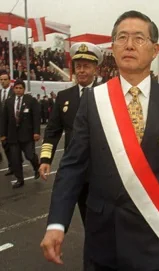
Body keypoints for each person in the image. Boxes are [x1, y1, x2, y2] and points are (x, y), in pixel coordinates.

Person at [40, 10, 159, 270]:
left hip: (158, 231)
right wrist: (57, 223)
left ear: (154, 51)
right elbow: (72, 166)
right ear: (113, 49)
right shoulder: (94, 101)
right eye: (121, 38)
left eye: (139, 38)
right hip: (105, 236)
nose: (128, 44)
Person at [39, 42, 103, 224]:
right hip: (75, 167)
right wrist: (45, 159)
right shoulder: (64, 97)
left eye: (86, 66)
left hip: (102, 167)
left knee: (104, 216)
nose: (81, 71)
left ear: (95, 69)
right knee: (85, 214)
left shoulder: (107, 94)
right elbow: (52, 131)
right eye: (78, 66)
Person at [0, 80, 40, 188]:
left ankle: (37, 167)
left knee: (30, 155)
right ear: (14, 89)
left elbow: (36, 117)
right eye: (16, 88)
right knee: (15, 159)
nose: (18, 90)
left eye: (20, 88)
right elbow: (4, 119)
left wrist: (36, 132)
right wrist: (2, 134)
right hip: (12, 136)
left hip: (27, 135)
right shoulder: (8, 102)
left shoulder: (31, 100)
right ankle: (19, 179)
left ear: (24, 89)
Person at [0, 71, 15, 172]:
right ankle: (11, 166)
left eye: (5, 79)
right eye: (1, 80)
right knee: (5, 146)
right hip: (2, 125)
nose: (3, 81)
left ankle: (16, 164)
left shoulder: (14, 92)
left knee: (14, 147)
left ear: (9, 80)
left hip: (12, 124)